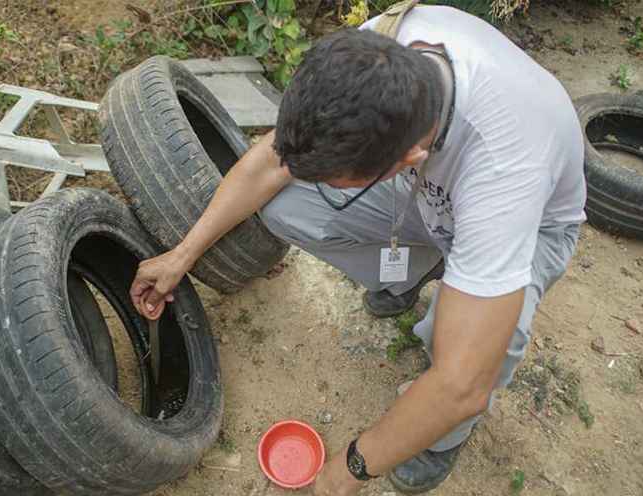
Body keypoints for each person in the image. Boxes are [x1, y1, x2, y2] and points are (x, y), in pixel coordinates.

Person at [130, 3, 585, 495]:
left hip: (528, 226)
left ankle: (441, 440)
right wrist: (183, 254)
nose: (327, 182)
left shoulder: (503, 171)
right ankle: (413, 272)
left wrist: (351, 468)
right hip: (429, 197)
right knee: (290, 207)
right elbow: (271, 163)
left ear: (411, 156)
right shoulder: (378, 52)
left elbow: (462, 383)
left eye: (341, 178)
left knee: (468, 349)